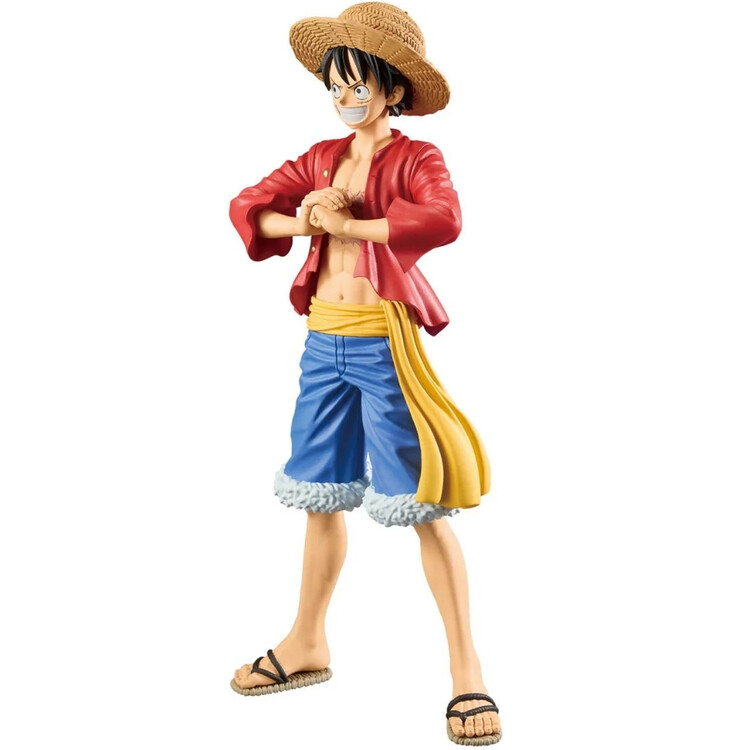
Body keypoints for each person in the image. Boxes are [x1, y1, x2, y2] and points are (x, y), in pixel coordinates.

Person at [228, 3, 502, 744]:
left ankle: (467, 669)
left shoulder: (417, 159)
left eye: (358, 84)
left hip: (383, 344)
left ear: (392, 90)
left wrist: (349, 225)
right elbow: (249, 206)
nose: (345, 97)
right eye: (336, 85)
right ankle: (306, 640)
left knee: (422, 502)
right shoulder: (320, 158)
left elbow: (442, 219)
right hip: (322, 343)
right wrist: (307, 217)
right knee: (318, 493)